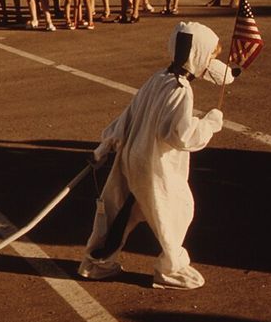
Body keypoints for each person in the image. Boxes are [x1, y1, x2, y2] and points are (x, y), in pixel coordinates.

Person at [78, 21, 232, 290]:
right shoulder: (181, 90)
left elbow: (129, 114)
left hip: (131, 156)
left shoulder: (159, 78)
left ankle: (98, 262)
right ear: (196, 54)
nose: (210, 62)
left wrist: (106, 144)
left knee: (118, 213)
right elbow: (179, 136)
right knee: (175, 213)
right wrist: (210, 123)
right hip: (155, 167)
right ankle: (171, 269)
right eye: (209, 56)